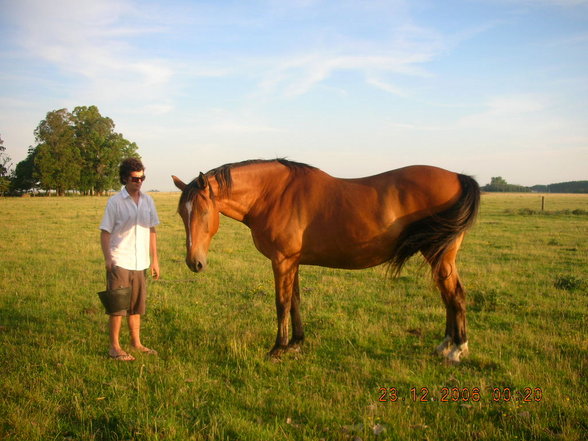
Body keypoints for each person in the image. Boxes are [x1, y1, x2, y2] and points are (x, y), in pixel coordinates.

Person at [99, 157, 160, 361]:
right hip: (120, 260)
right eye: (135, 178)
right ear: (125, 178)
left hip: (140, 262)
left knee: (136, 306)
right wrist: (108, 258)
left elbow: (152, 230)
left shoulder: (148, 201)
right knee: (117, 307)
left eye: (142, 178)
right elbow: (105, 232)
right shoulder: (115, 202)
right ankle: (114, 347)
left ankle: (136, 343)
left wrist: (155, 260)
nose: (140, 182)